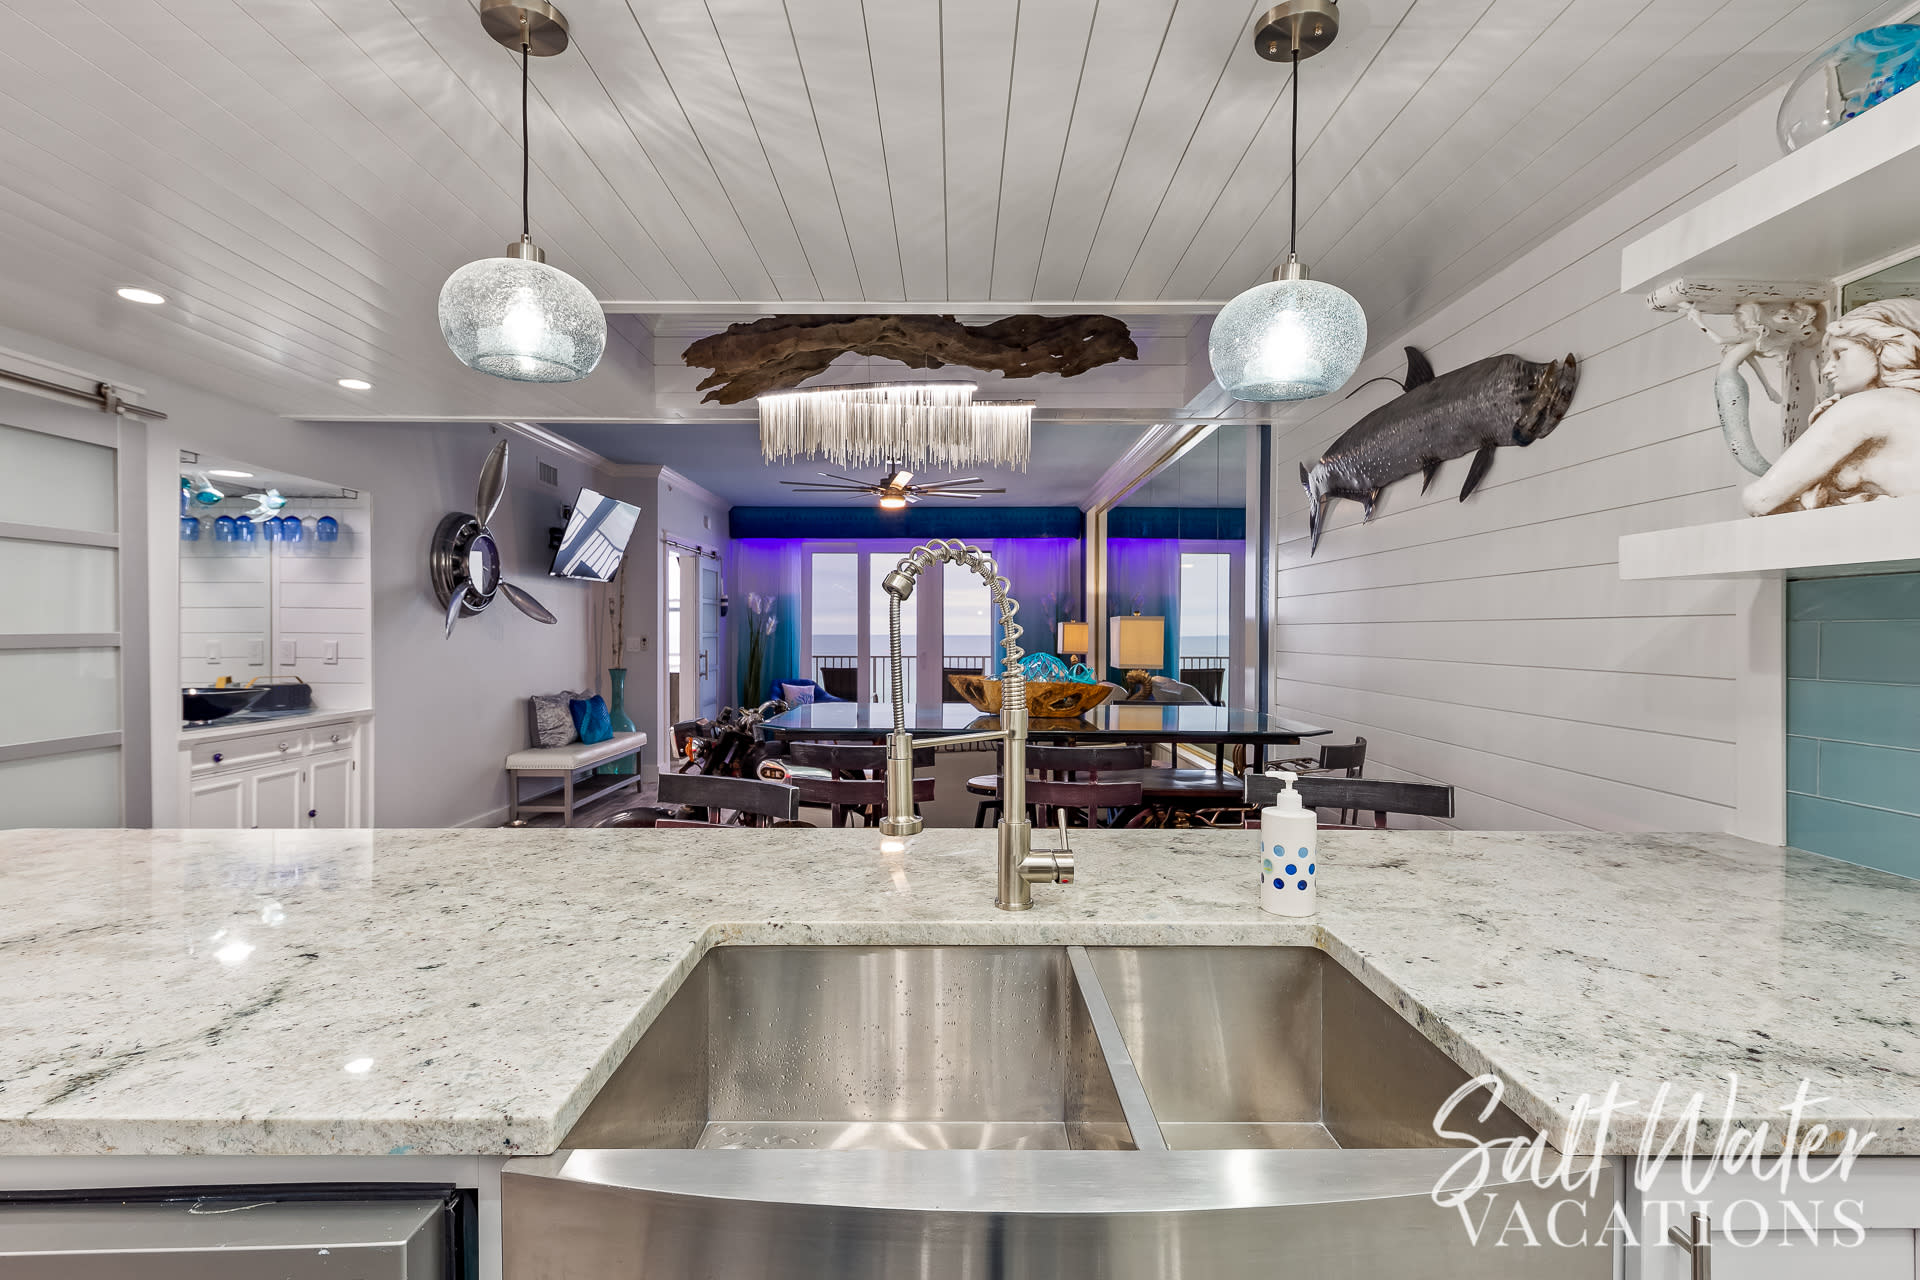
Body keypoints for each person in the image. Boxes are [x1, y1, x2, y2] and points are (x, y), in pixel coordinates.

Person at [1742, 299, 1920, 515]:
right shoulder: (1907, 404)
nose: (1827, 369)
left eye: (1840, 353)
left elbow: (1761, 498)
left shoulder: (1866, 407)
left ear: (1881, 348)